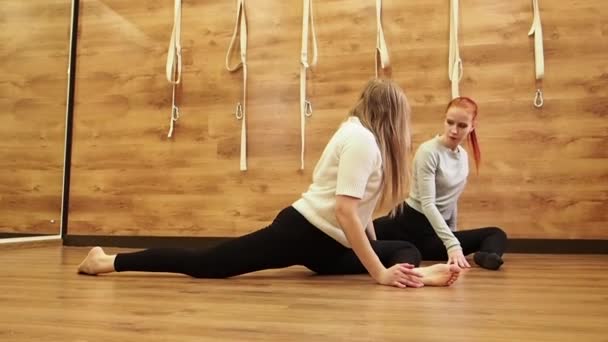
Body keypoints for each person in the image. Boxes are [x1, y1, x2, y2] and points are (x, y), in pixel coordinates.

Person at [78, 79, 461, 288]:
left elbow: (359, 210)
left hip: (329, 243)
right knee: (208, 264)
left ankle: (414, 274)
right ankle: (106, 261)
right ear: (391, 116)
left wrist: (380, 257)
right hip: (304, 232)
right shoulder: (360, 141)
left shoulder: (361, 134)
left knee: (404, 247)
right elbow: (344, 211)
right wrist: (378, 272)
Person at [373, 97, 507, 270]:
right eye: (450, 122)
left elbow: (452, 200)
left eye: (462, 125)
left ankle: (487, 256)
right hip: (407, 223)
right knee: (356, 238)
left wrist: (451, 234)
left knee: (496, 234)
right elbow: (428, 203)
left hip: (433, 232)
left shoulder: (463, 157)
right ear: (444, 120)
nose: (454, 130)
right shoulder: (428, 151)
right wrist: (452, 244)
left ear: (472, 127)